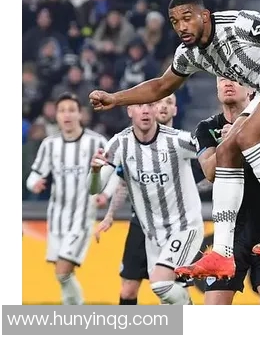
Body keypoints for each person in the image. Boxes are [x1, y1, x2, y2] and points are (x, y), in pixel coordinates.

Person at [89, 0, 260, 279]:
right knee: (226, 150)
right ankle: (222, 253)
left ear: (204, 16)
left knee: (247, 137)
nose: (181, 27)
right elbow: (160, 87)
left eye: (187, 18)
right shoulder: (190, 53)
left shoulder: (239, 24)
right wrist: (115, 98)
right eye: (175, 22)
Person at [177, 78, 260, 304]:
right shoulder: (207, 127)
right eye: (222, 79)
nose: (228, 83)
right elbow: (210, 172)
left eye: (236, 79)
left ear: (252, 88)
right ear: (216, 87)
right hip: (231, 234)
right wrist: (230, 142)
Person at [90, 101, 204, 305]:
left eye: (150, 104)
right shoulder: (120, 144)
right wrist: (95, 172)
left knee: (160, 284)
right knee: (162, 296)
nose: (145, 110)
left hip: (184, 226)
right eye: (139, 105)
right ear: (129, 111)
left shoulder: (177, 140)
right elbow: (95, 188)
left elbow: (212, 152)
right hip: (151, 232)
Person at [25, 93, 111, 305]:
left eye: (72, 110)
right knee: (62, 273)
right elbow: (35, 174)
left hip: (82, 217)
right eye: (62, 111)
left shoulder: (97, 141)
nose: (67, 115)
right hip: (56, 218)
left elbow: (114, 171)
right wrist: (34, 184)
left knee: (63, 270)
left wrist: (105, 193)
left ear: (80, 114)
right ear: (56, 115)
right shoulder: (49, 144)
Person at [116, 94, 179, 305]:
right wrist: (108, 215)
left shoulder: (182, 144)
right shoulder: (131, 145)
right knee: (128, 289)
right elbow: (122, 182)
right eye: (158, 102)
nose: (163, 107)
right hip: (141, 225)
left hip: (174, 227)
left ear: (175, 110)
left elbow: (205, 177)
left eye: (169, 102)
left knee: (170, 291)